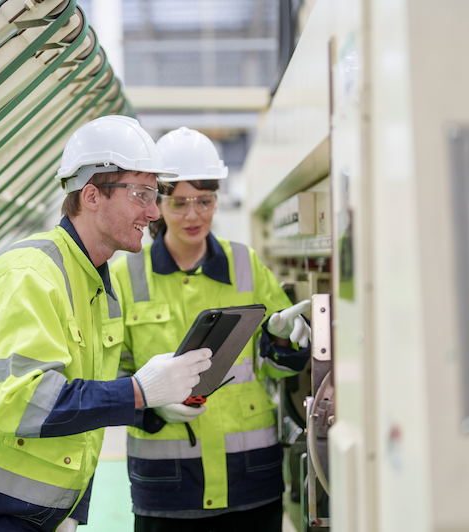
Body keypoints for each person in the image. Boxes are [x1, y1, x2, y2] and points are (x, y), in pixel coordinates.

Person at [0, 116, 213, 532]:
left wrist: (153, 405)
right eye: (142, 194)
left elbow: (82, 398)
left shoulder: (96, 284)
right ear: (91, 195)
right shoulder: (29, 276)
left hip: (28, 514)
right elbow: (23, 403)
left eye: (154, 195)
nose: (154, 211)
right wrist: (139, 392)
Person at [110, 127, 312, 532]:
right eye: (180, 202)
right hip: (169, 491)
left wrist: (283, 343)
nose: (193, 215)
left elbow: (274, 369)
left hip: (251, 483)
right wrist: (151, 404)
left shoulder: (245, 264)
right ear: (157, 203)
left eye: (204, 201)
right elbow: (107, 374)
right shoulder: (124, 275)